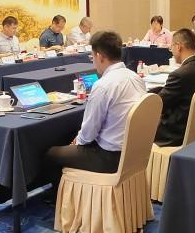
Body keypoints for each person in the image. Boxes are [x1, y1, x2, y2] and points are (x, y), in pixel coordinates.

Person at [44, 30, 146, 178]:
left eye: (92, 57)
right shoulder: (135, 78)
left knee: (51, 154)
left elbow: (89, 134)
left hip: (109, 157)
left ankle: (63, 193)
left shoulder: (103, 85)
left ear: (99, 56)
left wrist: (77, 142)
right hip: (134, 152)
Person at [151, 28, 195, 147]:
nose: (171, 51)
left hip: (175, 133)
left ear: (178, 46)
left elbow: (160, 106)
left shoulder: (179, 74)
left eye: (171, 47)